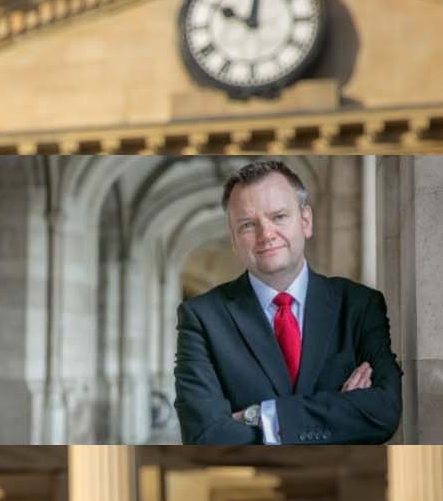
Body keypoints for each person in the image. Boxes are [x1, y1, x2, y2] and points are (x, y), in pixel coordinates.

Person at [172, 159, 402, 445]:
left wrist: (260, 415)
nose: (266, 234)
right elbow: (204, 435)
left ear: (306, 221)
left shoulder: (360, 305)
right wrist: (340, 410)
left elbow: (383, 412)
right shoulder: (201, 318)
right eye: (247, 225)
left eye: (279, 217)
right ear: (233, 239)